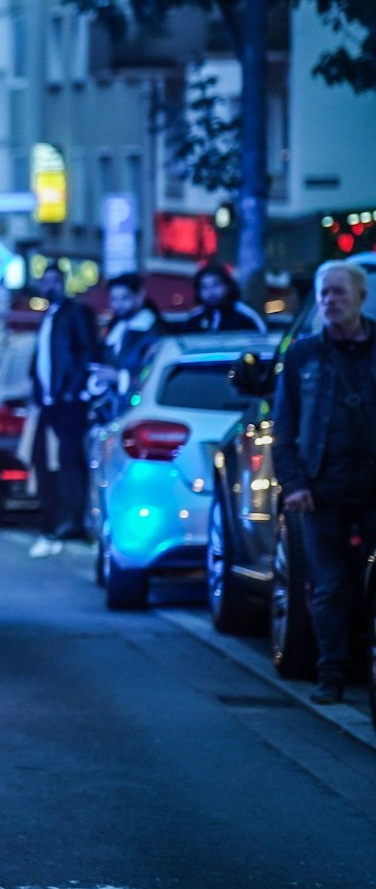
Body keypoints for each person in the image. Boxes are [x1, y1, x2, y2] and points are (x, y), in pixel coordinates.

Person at [272, 260, 375, 705]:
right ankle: (330, 673)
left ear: (361, 297)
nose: (330, 301)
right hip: (321, 490)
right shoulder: (304, 355)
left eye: (339, 292)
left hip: (372, 487)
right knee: (327, 585)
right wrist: (294, 484)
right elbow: (285, 425)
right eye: (323, 294)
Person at [28, 264, 101, 557]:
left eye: (55, 281)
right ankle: (56, 518)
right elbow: (43, 359)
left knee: (70, 460)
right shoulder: (48, 317)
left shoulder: (74, 313)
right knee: (45, 460)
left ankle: (73, 520)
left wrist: (73, 387)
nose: (50, 286)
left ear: (64, 283)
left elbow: (86, 351)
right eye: (46, 281)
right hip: (50, 401)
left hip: (69, 400)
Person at [182, 262, 268, 333]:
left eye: (216, 285)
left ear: (228, 286)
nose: (210, 292)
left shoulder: (246, 316)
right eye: (204, 287)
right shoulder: (195, 318)